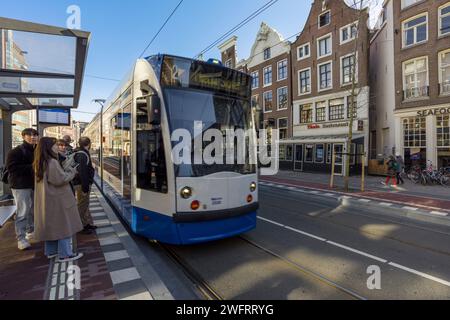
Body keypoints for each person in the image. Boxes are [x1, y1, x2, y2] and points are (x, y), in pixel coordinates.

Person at [33, 137, 83, 262]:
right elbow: (60, 180)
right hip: (57, 199)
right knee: (64, 226)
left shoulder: (40, 161)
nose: (57, 147)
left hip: (47, 199)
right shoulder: (52, 162)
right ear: (49, 147)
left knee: (52, 226)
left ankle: (51, 251)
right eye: (55, 145)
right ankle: (65, 254)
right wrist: (72, 172)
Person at [5, 128, 39, 250]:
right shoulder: (16, 151)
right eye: (30, 135)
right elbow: (12, 168)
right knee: (23, 211)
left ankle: (30, 231)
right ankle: (21, 238)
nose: (33, 137)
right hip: (20, 186)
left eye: (35, 135)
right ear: (23, 136)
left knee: (33, 210)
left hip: (34, 185)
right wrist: (32, 167)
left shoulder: (37, 150)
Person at [72, 137, 96, 234]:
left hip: (80, 183)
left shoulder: (80, 152)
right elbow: (83, 172)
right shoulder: (82, 154)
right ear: (89, 144)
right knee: (82, 205)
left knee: (85, 205)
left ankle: (86, 224)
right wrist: (85, 188)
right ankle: (80, 226)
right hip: (81, 184)